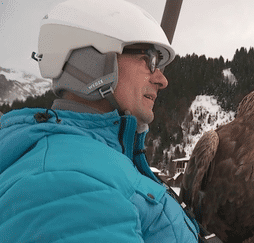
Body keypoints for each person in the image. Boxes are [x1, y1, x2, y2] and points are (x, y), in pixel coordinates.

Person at [0, 0, 200, 242]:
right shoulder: (67, 183)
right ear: (94, 62)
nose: (161, 80)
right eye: (150, 60)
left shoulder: (98, 161)